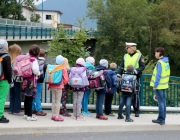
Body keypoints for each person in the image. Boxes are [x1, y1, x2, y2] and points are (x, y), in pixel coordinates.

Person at [118, 42, 145, 117]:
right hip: (125, 77)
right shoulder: (125, 56)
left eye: (127, 48)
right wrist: (118, 75)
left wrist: (136, 70)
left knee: (135, 94)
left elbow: (142, 66)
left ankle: (136, 110)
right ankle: (127, 111)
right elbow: (121, 66)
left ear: (132, 48)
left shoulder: (139, 56)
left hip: (135, 77)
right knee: (126, 92)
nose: (126, 49)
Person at [150, 47, 170, 125]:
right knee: (163, 102)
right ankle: (163, 118)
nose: (155, 54)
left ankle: (160, 119)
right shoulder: (166, 62)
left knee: (160, 103)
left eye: (155, 53)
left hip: (158, 86)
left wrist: (155, 85)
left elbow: (158, 75)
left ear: (159, 53)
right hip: (164, 85)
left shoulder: (160, 63)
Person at [22, 44, 40, 121]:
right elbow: (35, 70)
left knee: (26, 98)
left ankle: (26, 114)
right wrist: (39, 73)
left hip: (25, 80)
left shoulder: (27, 58)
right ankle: (29, 115)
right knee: (30, 98)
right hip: (31, 81)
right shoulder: (34, 60)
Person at [49, 55, 69, 121]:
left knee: (53, 101)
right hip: (59, 86)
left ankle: (53, 115)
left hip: (52, 85)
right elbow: (66, 80)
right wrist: (63, 83)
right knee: (57, 101)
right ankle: (56, 116)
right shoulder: (63, 68)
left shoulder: (52, 67)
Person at [9, 44, 23, 116]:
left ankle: (11, 109)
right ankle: (17, 110)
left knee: (12, 94)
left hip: (10, 80)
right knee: (17, 94)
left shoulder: (9, 60)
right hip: (16, 80)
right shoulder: (17, 61)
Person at [32, 49, 47, 116]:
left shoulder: (34, 60)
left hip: (32, 80)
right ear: (44, 55)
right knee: (38, 95)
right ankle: (39, 110)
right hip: (39, 80)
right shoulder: (45, 62)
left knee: (32, 95)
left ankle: (32, 109)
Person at [0, 39, 12, 123]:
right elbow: (8, 70)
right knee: (2, 98)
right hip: (4, 80)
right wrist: (10, 80)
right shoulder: (6, 57)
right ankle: (0, 116)